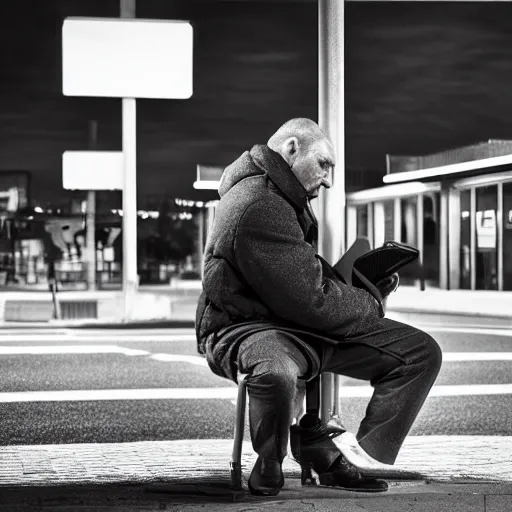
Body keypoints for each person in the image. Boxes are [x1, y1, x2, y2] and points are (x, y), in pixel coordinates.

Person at [195, 118, 442, 496]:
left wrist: (360, 286)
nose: (327, 180)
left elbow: (300, 279)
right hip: (248, 326)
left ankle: (355, 457)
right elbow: (310, 300)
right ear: (291, 148)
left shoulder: (281, 195)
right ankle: (271, 459)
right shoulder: (259, 203)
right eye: (324, 164)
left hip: (295, 323)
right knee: (275, 371)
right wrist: (369, 300)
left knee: (419, 353)